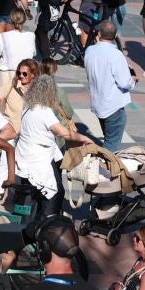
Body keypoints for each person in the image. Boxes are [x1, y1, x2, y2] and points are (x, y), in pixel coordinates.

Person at [15, 75, 91, 229]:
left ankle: (29, 228)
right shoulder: (44, 111)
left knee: (31, 198)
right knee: (54, 194)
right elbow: (64, 132)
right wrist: (84, 139)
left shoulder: (28, 108)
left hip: (25, 162)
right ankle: (47, 227)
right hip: (39, 162)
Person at [82, 19, 135, 149]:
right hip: (113, 106)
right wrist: (133, 81)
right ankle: (103, 168)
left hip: (98, 103)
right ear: (115, 36)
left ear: (99, 34)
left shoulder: (89, 51)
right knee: (111, 145)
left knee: (108, 138)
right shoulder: (116, 55)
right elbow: (124, 82)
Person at [0, 10, 38, 98]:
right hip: (26, 74)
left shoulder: (3, 36)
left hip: (7, 74)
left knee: (2, 103)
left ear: (11, 20)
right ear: (24, 20)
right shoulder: (31, 36)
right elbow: (32, 53)